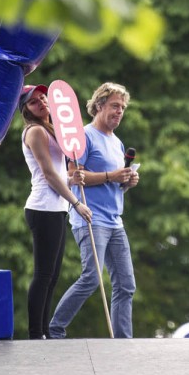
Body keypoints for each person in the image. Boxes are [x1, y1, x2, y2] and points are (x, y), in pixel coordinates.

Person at [48, 82, 139, 339]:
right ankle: (55, 328)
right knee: (91, 278)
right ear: (99, 105)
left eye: (122, 107)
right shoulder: (84, 137)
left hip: (114, 220)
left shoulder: (117, 143)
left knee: (126, 284)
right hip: (90, 217)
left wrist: (127, 181)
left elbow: (114, 185)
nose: (119, 111)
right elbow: (73, 175)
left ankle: (123, 340)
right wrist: (112, 175)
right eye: (114, 106)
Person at [19, 84, 93, 339]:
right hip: (43, 208)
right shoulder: (35, 131)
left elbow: (59, 174)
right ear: (26, 110)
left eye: (42, 98)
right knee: (43, 274)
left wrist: (73, 179)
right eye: (33, 102)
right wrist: (76, 202)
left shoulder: (51, 130)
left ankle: (45, 333)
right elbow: (48, 174)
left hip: (56, 207)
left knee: (52, 276)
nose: (41, 103)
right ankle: (35, 333)